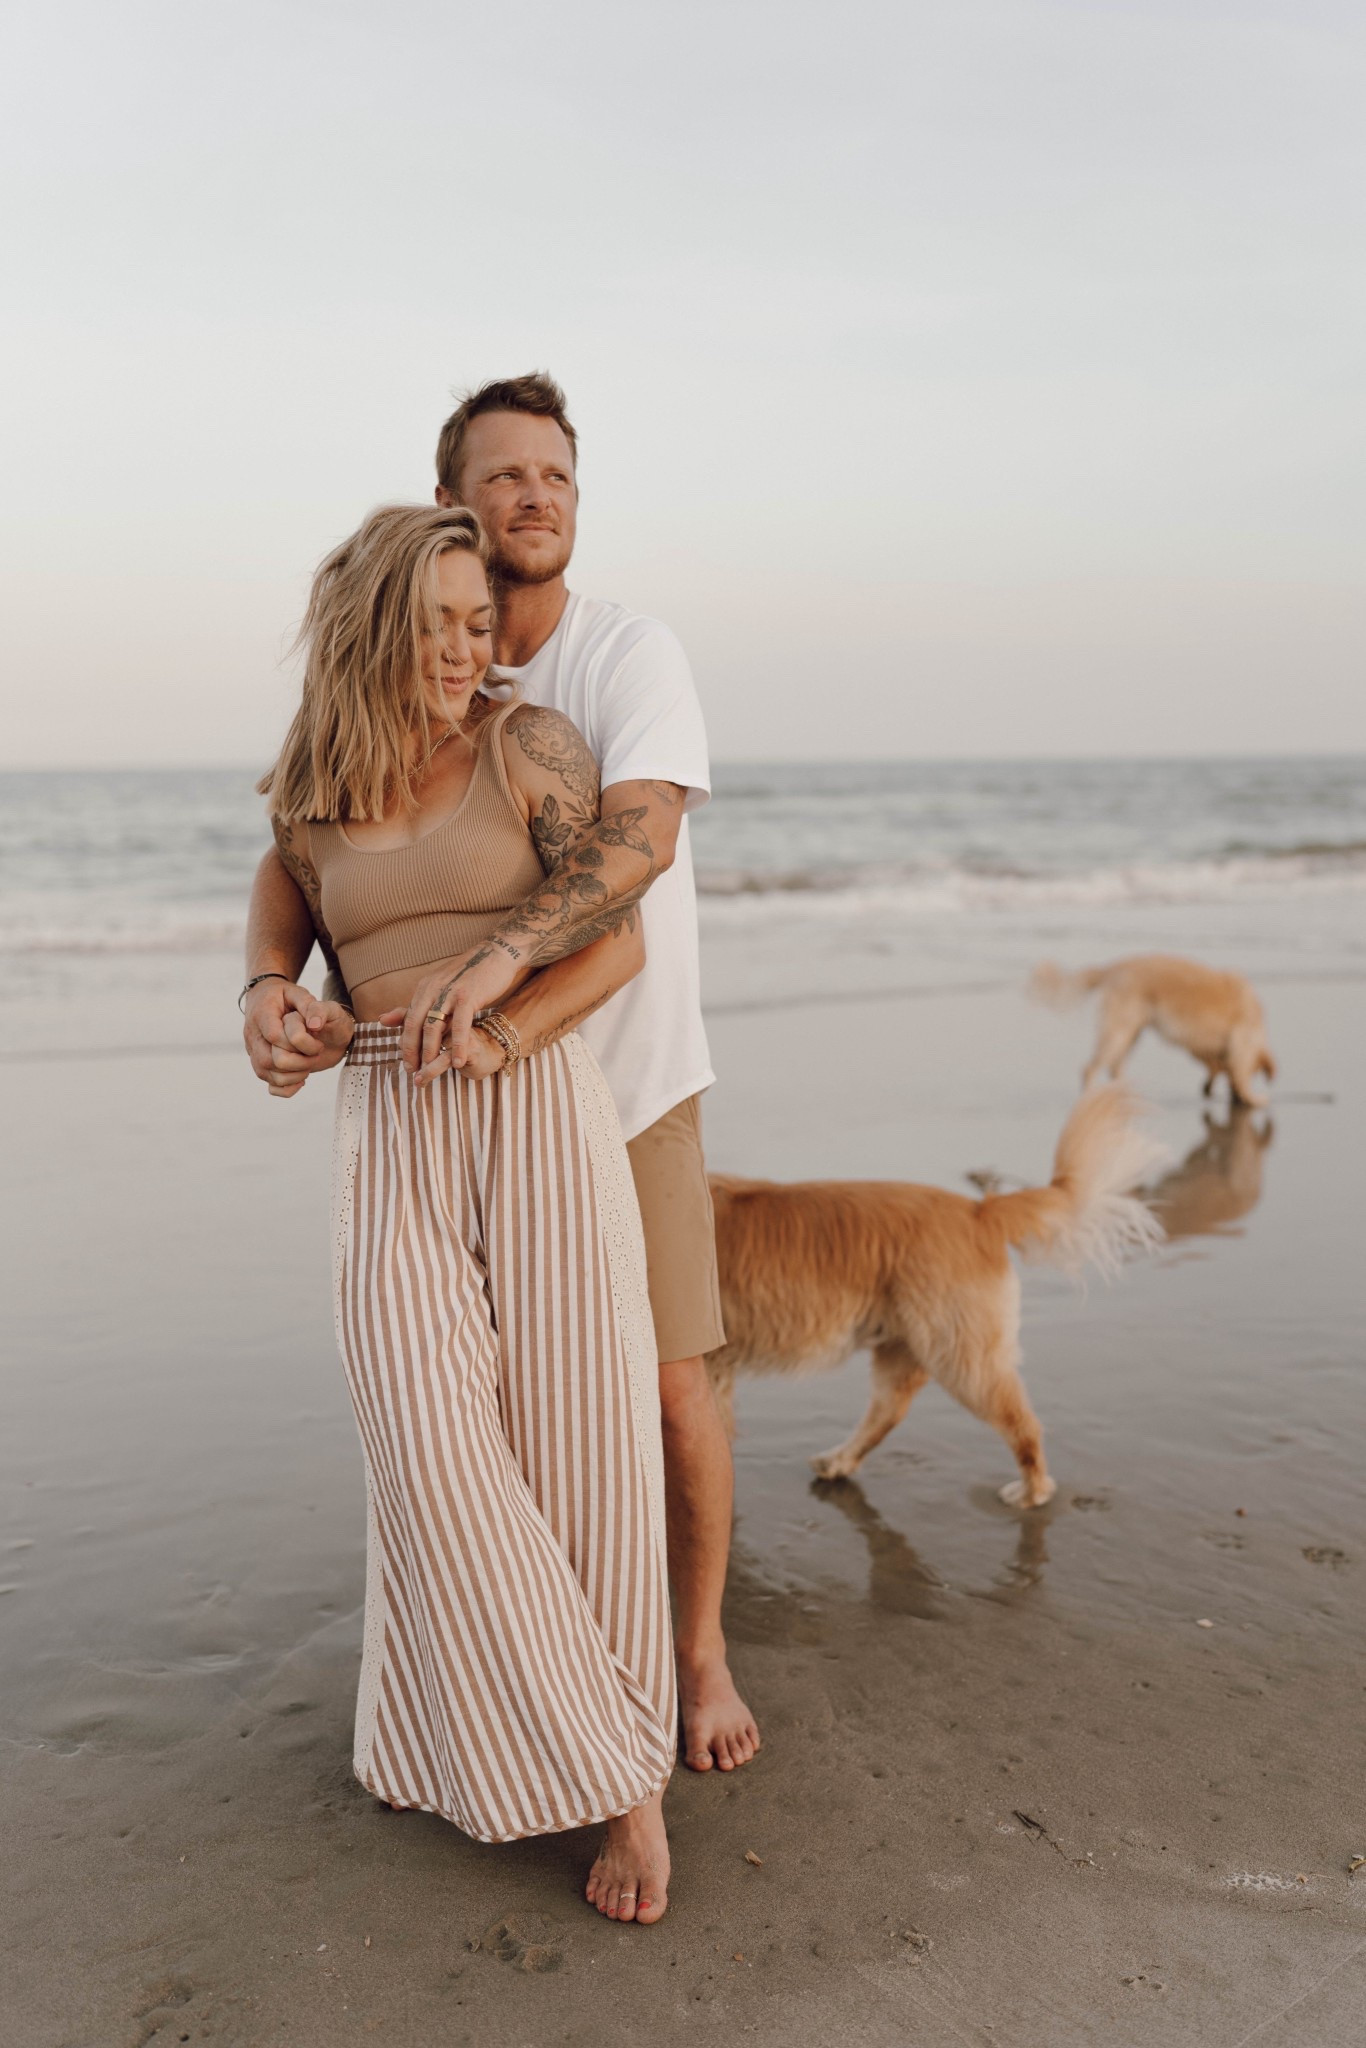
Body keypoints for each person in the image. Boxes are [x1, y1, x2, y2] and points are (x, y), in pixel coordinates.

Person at [244, 375, 759, 1774]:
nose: (536, 498)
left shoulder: (619, 659)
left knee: (659, 1390)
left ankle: (691, 1656)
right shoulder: (397, 694)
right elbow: (300, 851)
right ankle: (505, 1697)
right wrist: (269, 989)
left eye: (559, 478)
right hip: (430, 1114)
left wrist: (501, 982)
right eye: (505, 477)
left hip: (621, 1083)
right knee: (470, 1421)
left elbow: (634, 847)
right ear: (447, 503)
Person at [256, 501, 674, 1921]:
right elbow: (281, 921)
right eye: (434, 621)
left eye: (475, 621)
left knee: (572, 1448)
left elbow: (612, 936)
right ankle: (493, 1730)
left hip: (532, 1106)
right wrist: (270, 1004)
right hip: (386, 1121)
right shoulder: (308, 792)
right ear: (373, 621)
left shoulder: (523, 745)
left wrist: (504, 1021)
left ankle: (626, 1791)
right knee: (423, 1442)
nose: (461, 647)